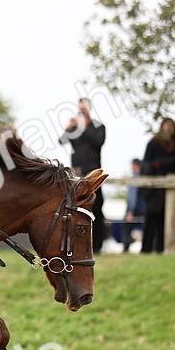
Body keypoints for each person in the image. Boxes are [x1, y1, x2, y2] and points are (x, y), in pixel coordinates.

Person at [58, 98, 107, 250]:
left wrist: (84, 128)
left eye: (84, 110)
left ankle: (97, 245)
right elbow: (61, 141)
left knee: (96, 207)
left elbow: (98, 142)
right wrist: (68, 127)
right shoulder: (75, 128)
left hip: (92, 173)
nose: (81, 113)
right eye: (80, 110)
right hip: (77, 173)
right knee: (76, 209)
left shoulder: (98, 127)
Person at [140, 118, 175, 254]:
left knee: (165, 220)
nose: (169, 128)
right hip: (153, 188)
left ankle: (161, 249)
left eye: (171, 126)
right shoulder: (154, 143)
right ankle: (146, 250)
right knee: (151, 219)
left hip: (169, 188)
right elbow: (146, 165)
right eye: (167, 125)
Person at [120, 158, 144, 252]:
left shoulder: (135, 178)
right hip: (143, 208)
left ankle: (126, 246)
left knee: (126, 225)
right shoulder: (144, 176)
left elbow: (132, 197)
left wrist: (130, 211)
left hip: (136, 209)